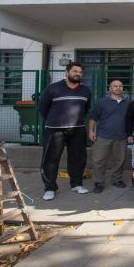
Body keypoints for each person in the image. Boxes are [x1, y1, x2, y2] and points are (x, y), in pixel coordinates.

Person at [38, 62, 92, 201]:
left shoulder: (85, 90)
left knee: (78, 158)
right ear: (67, 72)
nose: (77, 74)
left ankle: (77, 184)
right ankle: (50, 188)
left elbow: (85, 109)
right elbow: (43, 107)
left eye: (80, 72)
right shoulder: (53, 88)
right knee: (50, 159)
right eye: (75, 71)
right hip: (55, 129)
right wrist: (54, 120)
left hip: (78, 129)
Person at [88, 79, 130, 194]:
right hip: (103, 136)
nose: (118, 88)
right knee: (99, 160)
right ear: (110, 89)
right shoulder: (101, 102)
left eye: (120, 86)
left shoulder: (128, 103)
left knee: (119, 160)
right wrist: (91, 131)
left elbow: (131, 120)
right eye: (115, 86)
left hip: (121, 137)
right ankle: (98, 182)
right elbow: (93, 117)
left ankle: (117, 180)